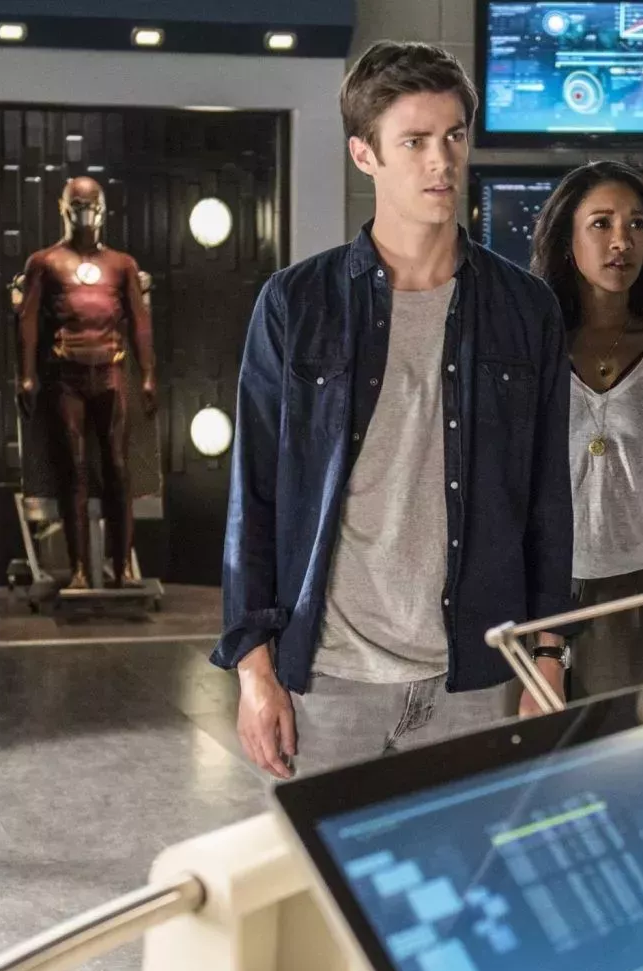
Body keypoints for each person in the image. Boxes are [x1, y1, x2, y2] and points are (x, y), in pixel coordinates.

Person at [212, 42, 573, 779]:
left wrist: (549, 658)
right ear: (364, 154)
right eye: (414, 141)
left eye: (454, 136)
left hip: (478, 674)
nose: (442, 161)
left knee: (468, 860)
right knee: (321, 861)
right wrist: (254, 670)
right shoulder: (296, 304)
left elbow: (547, 500)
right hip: (330, 678)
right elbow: (255, 496)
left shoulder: (526, 309)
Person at [526, 161, 643, 699]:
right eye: (601, 223)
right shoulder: (526, 345)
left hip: (627, 593)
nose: (621, 241)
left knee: (615, 745)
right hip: (528, 585)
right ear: (567, 239)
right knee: (526, 746)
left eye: (637, 225)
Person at [18, 177, 157, 588]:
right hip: (66, 375)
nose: (85, 214)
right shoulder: (45, 262)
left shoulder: (121, 264)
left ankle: (123, 566)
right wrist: (25, 375)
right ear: (64, 209)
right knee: (73, 468)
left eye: (91, 206)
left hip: (110, 371)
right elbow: (27, 320)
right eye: (78, 206)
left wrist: (148, 374)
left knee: (118, 467)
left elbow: (139, 321)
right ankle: (79, 569)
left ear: (102, 210)